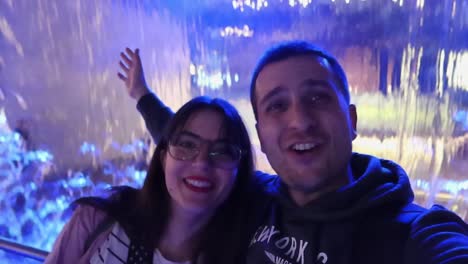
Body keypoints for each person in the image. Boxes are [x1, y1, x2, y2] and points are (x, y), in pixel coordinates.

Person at [119, 43, 468, 264]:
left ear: (351, 119)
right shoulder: (254, 198)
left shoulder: (416, 234)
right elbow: (187, 146)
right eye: (277, 106)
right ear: (261, 137)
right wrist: (141, 95)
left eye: (317, 97)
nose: (300, 120)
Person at [45, 96, 256, 264]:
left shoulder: (249, 254)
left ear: (240, 169)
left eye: (222, 152)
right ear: (164, 158)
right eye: (187, 145)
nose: (201, 163)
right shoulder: (97, 219)